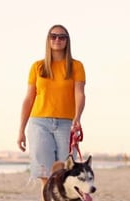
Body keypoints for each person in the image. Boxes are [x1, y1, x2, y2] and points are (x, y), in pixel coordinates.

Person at [17, 24, 86, 181]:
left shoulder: (76, 66)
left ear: (67, 41)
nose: (57, 40)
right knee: (45, 175)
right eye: (53, 36)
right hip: (39, 123)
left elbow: (80, 93)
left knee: (65, 173)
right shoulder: (37, 67)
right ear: (48, 40)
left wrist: (77, 117)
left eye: (62, 37)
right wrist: (21, 130)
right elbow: (29, 98)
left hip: (66, 124)